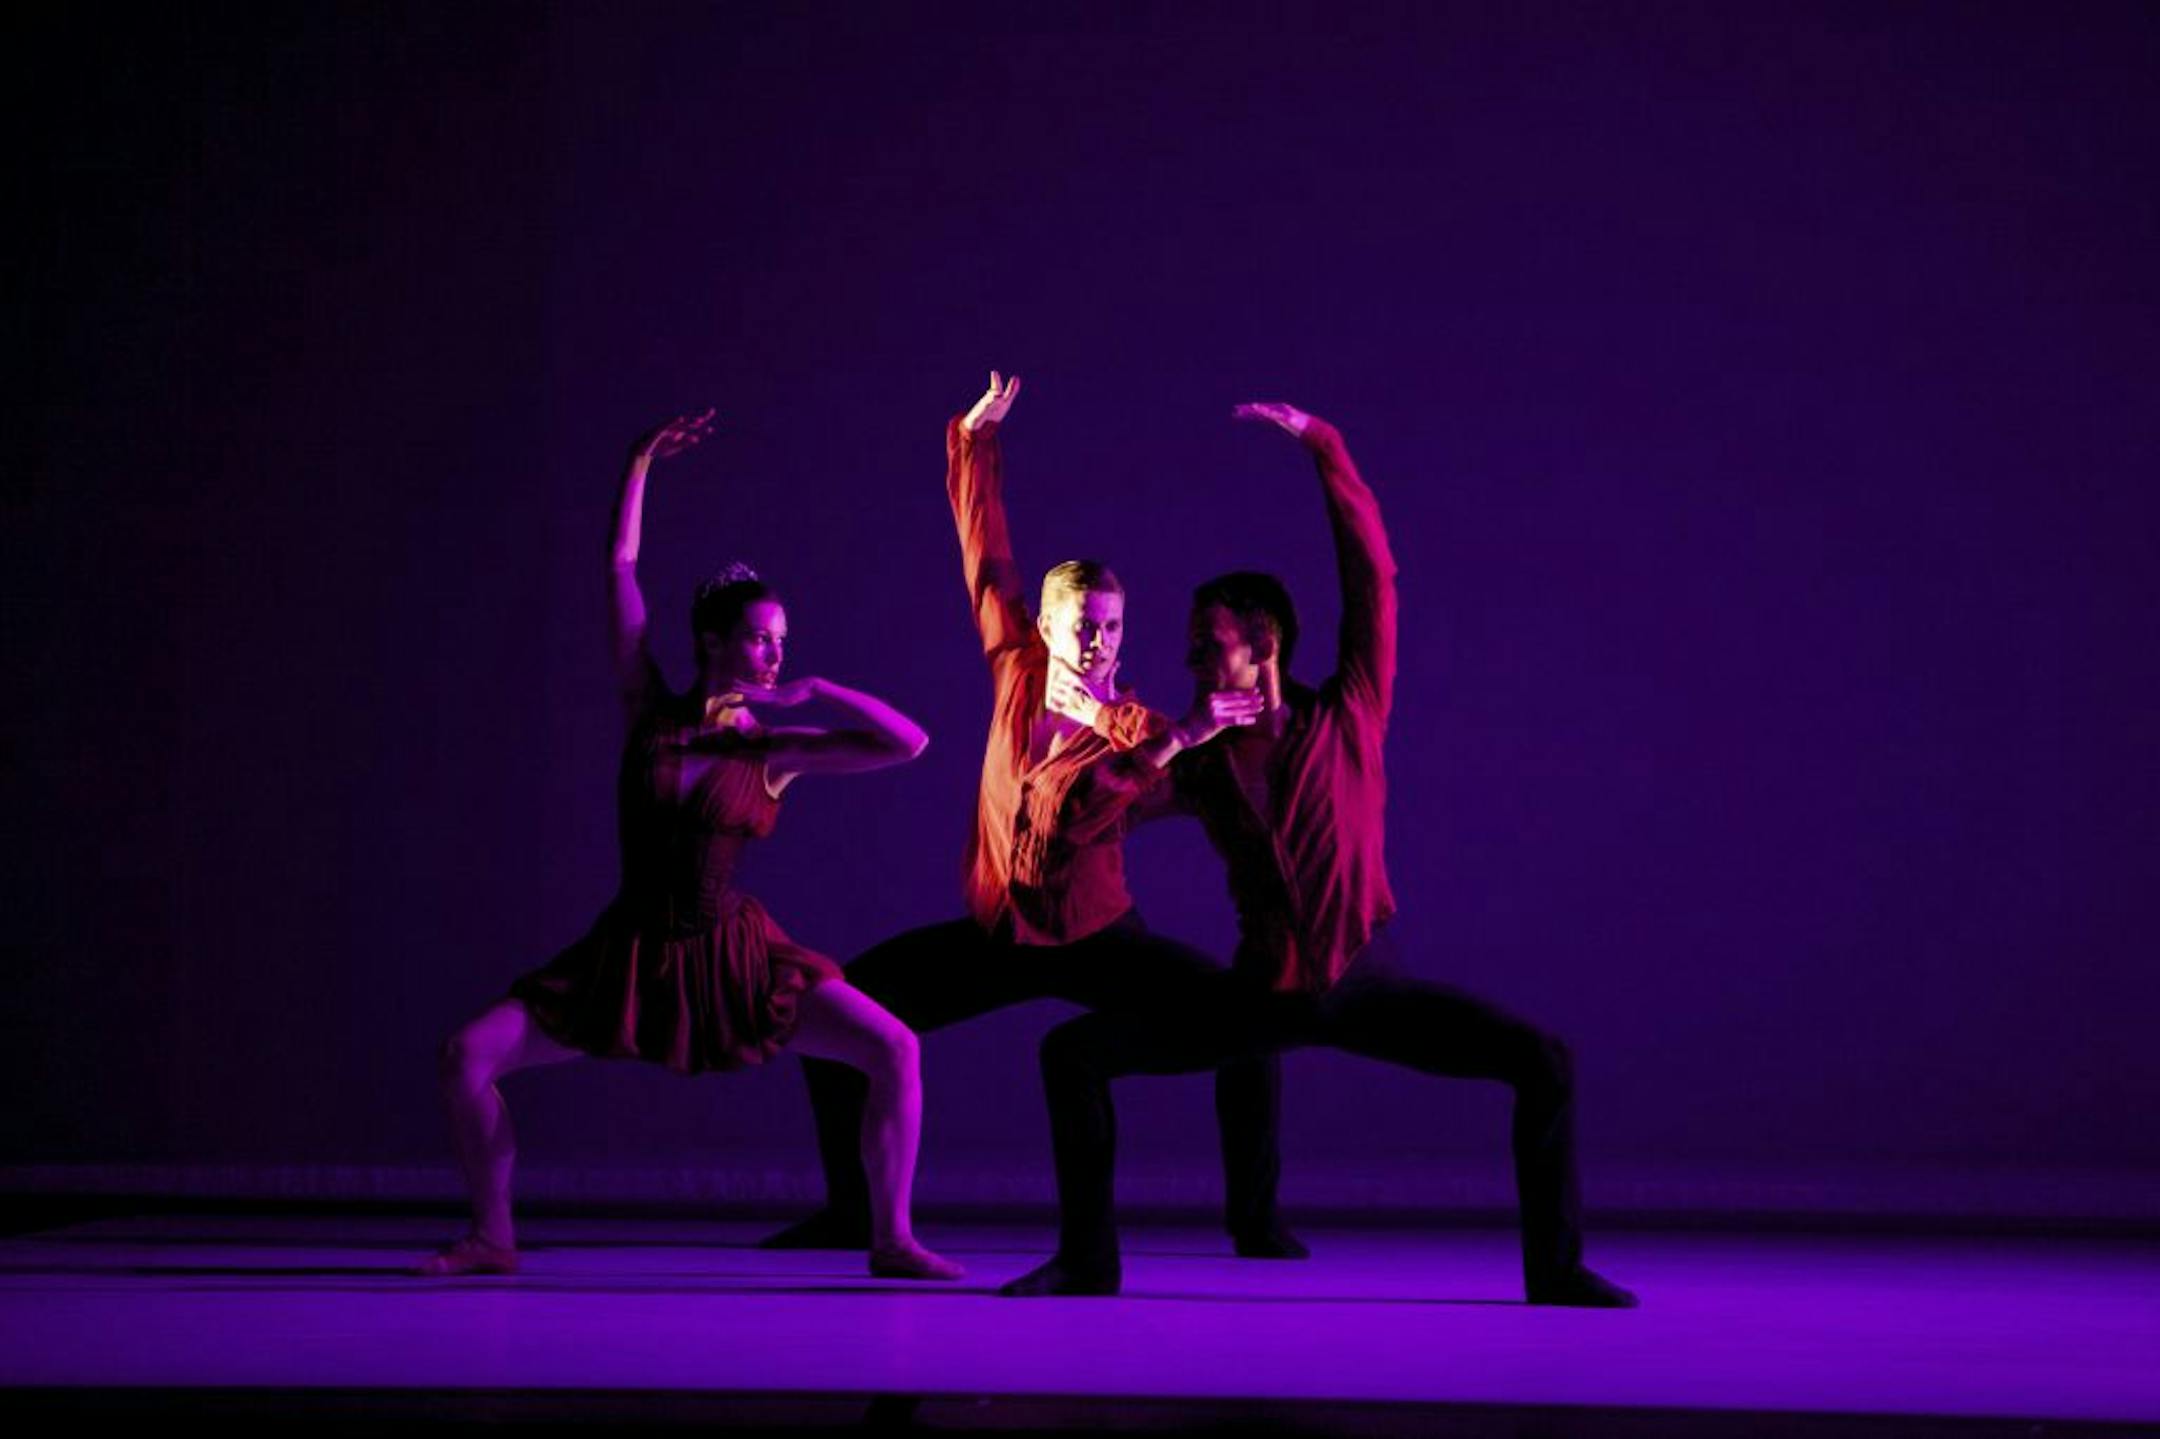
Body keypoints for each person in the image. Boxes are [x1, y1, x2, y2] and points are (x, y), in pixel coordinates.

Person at [1000, 402, 1636, 1307]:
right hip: (1260, 992)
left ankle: (1559, 1269)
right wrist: (1165, 742)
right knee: (1075, 1053)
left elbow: (1372, 578)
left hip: (1364, 983)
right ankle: (1091, 1261)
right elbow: (1090, 821)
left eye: (1204, 643)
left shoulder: (1348, 715)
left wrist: (1324, 448)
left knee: (1544, 1061)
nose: (1186, 658)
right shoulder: (1204, 757)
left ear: (1262, 645)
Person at [762, 375, 1302, 1260]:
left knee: (1250, 1028)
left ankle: (1257, 1217)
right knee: (835, 1018)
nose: (1100, 643)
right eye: (1084, 625)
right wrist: (973, 443)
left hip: (1099, 938)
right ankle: (852, 1210)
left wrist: (1175, 735)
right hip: (998, 936)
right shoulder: (1015, 670)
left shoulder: (1140, 726)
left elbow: (1136, 783)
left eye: (1115, 627)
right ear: (1047, 627)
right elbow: (987, 554)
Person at [420, 409, 960, 1282]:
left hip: (738, 959)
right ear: (713, 640)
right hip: (629, 952)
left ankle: (892, 1237)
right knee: (466, 1055)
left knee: (896, 1047)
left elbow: (911, 742)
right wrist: (638, 462)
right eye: (760, 639)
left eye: (783, 643)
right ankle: (493, 1237)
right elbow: (620, 568)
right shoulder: (650, 712)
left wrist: (818, 688)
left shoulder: (771, 750)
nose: (775, 655)